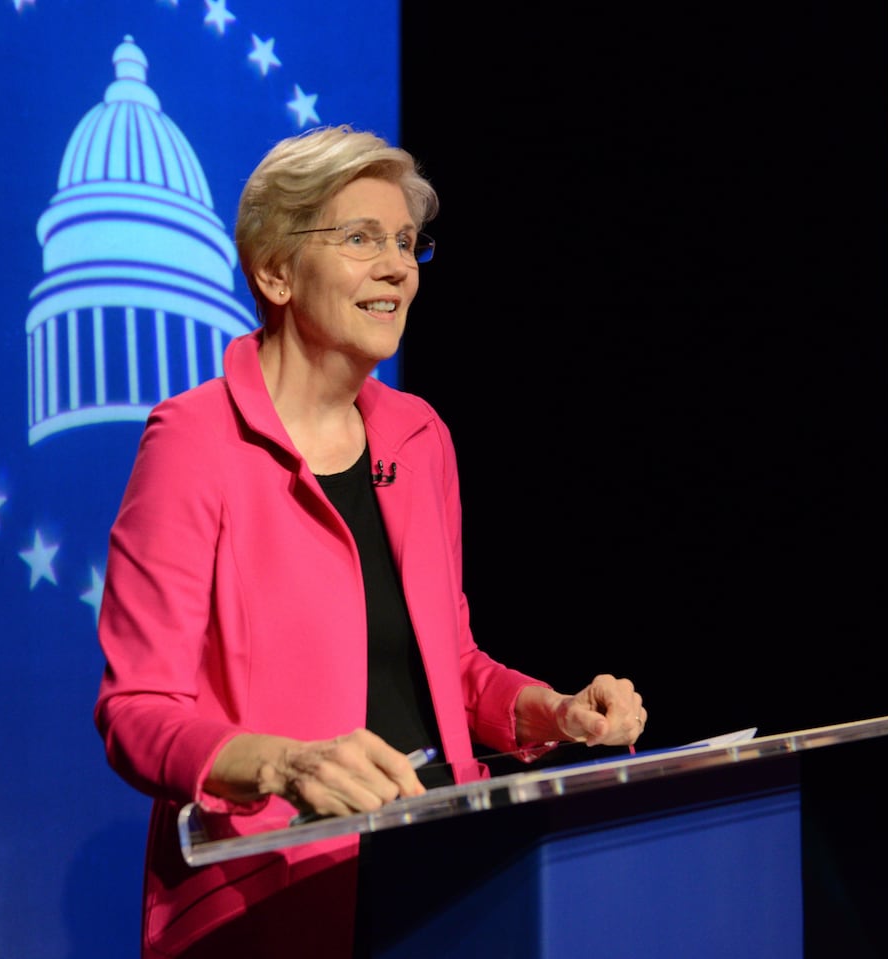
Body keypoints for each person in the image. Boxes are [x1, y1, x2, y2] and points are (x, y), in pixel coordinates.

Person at [93, 124, 646, 958]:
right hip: (268, 900)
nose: (397, 266)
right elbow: (135, 713)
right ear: (275, 270)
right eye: (360, 239)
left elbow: (448, 665)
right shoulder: (193, 442)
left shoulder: (419, 435)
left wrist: (552, 711)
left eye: (406, 243)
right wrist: (286, 765)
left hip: (449, 884)